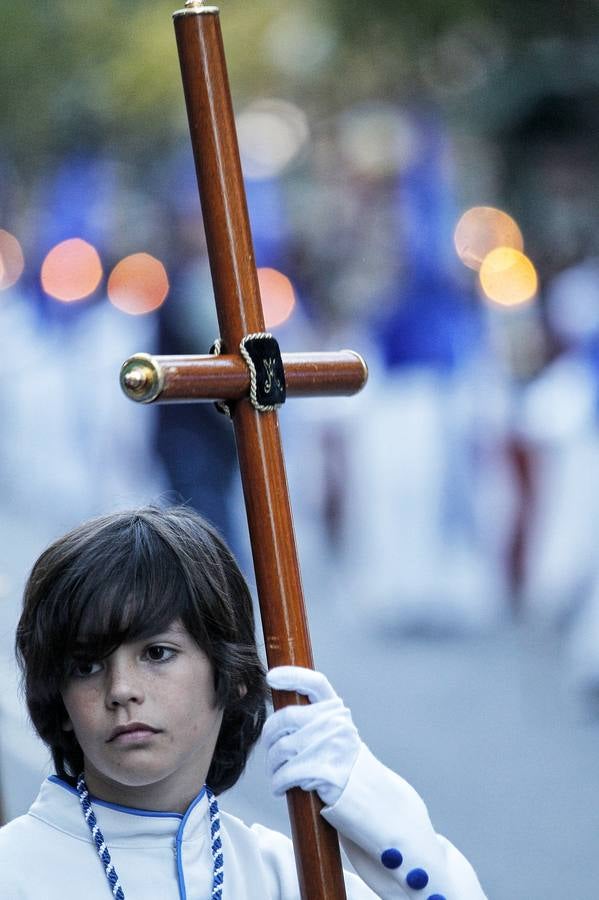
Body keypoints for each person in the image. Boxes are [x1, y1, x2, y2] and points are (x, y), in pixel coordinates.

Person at [0, 506, 486, 899]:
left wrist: (367, 796)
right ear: (58, 702)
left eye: (156, 653)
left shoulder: (283, 876)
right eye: (86, 666)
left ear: (230, 676)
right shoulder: (13, 871)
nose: (122, 688)